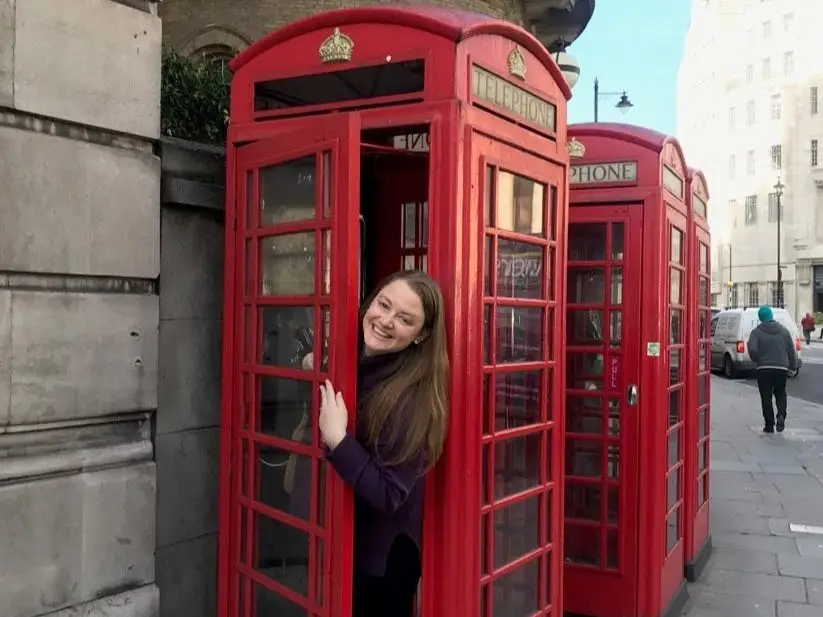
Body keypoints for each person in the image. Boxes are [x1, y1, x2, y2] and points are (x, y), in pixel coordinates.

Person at [318, 269, 449, 617]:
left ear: (421, 335)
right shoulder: (360, 361)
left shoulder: (412, 399)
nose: (386, 320)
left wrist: (338, 440)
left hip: (383, 563)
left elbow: (390, 493)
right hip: (344, 541)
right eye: (384, 304)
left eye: (405, 319)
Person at [747, 305, 797, 433]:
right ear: (771, 316)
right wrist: (793, 366)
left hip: (764, 368)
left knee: (766, 397)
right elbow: (791, 350)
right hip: (781, 368)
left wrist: (758, 359)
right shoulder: (784, 331)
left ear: (760, 318)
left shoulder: (756, 332)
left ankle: (769, 425)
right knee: (780, 393)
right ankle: (781, 415)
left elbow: (752, 349)